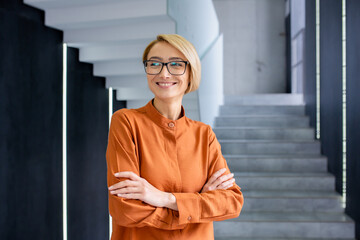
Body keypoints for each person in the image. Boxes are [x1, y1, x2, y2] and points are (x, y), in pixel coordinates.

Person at [106, 34, 243, 240]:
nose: (164, 73)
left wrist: (164, 199)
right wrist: (196, 203)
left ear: (190, 72)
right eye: (154, 64)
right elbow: (126, 210)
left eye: (176, 64)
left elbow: (231, 202)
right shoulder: (126, 122)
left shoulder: (204, 135)